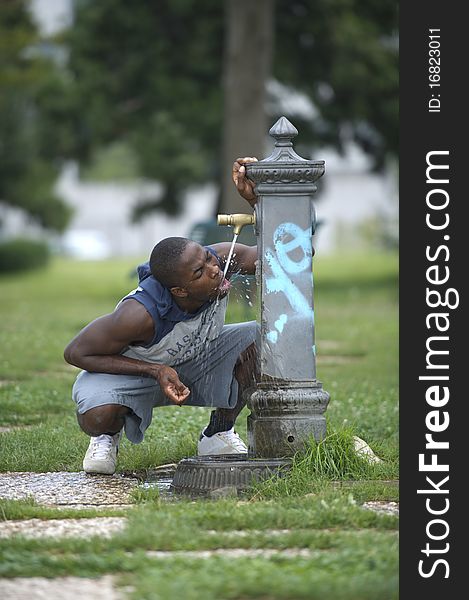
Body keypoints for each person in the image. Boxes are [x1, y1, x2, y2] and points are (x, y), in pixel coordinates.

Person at [64, 157, 259, 475]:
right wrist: (154, 370)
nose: (214, 270)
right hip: (131, 376)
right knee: (97, 416)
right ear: (179, 291)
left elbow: (284, 254)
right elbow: (75, 352)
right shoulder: (138, 314)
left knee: (262, 340)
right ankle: (106, 436)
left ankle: (218, 434)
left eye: (209, 258)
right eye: (200, 272)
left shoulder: (221, 260)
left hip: (194, 361)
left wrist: (257, 200)